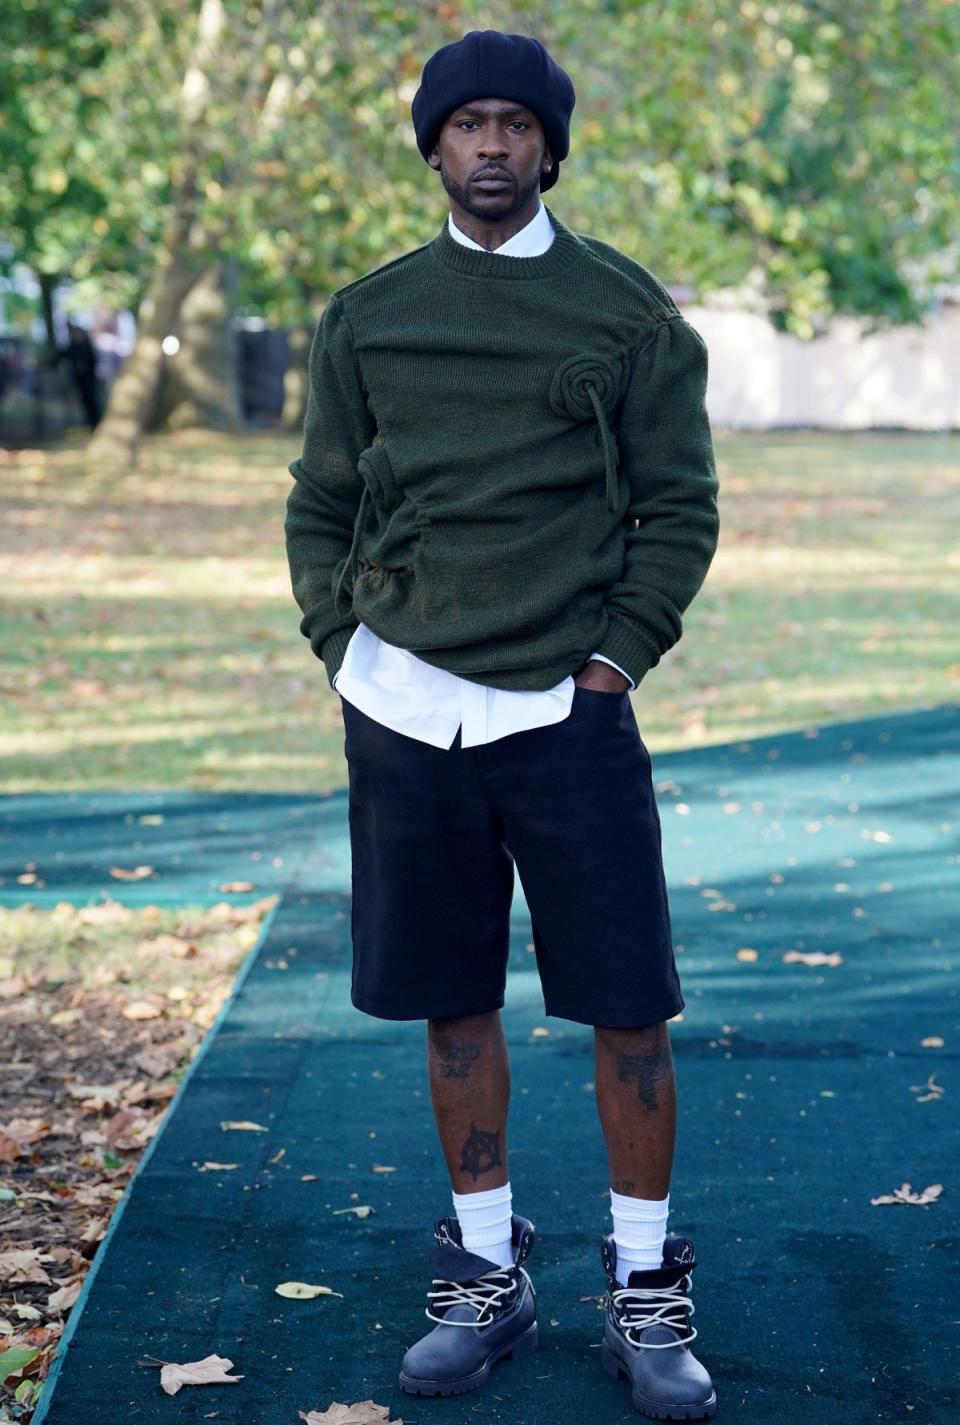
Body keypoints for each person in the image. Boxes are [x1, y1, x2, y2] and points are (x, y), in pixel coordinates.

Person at [285, 28, 720, 1421]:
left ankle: (646, 1291)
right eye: (464, 124)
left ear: (549, 146)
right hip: (406, 710)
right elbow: (320, 503)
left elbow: (679, 507)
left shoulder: (627, 315)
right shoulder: (367, 317)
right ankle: (487, 1272)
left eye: (514, 126)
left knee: (630, 1005)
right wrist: (342, 647)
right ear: (433, 146)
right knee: (452, 1000)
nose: (489, 146)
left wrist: (615, 662)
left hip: (564, 710)